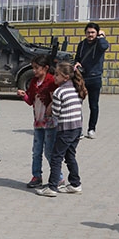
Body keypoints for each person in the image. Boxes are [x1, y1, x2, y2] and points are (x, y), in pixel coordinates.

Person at [36, 62, 87, 197]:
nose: (54, 78)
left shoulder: (59, 91)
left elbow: (56, 113)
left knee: (56, 157)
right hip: (77, 128)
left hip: (65, 129)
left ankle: (52, 187)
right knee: (70, 156)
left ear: (65, 77)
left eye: (57, 75)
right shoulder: (76, 89)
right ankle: (75, 184)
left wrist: (48, 113)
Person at [17, 56, 60, 188]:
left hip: (50, 122)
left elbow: (58, 98)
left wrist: (51, 105)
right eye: (33, 68)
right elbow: (30, 101)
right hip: (38, 122)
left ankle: (58, 177)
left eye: (37, 68)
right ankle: (36, 176)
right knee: (36, 151)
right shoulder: (34, 82)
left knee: (49, 151)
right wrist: (24, 95)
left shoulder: (52, 81)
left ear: (46, 68)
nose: (34, 70)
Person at [74, 22, 109, 139]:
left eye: (93, 32)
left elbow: (105, 47)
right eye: (88, 32)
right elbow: (77, 58)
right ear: (85, 33)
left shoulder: (100, 43)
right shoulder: (82, 44)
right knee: (76, 104)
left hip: (95, 78)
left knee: (93, 106)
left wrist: (102, 37)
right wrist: (77, 63)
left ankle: (91, 129)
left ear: (97, 33)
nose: (90, 35)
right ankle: (78, 129)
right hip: (82, 78)